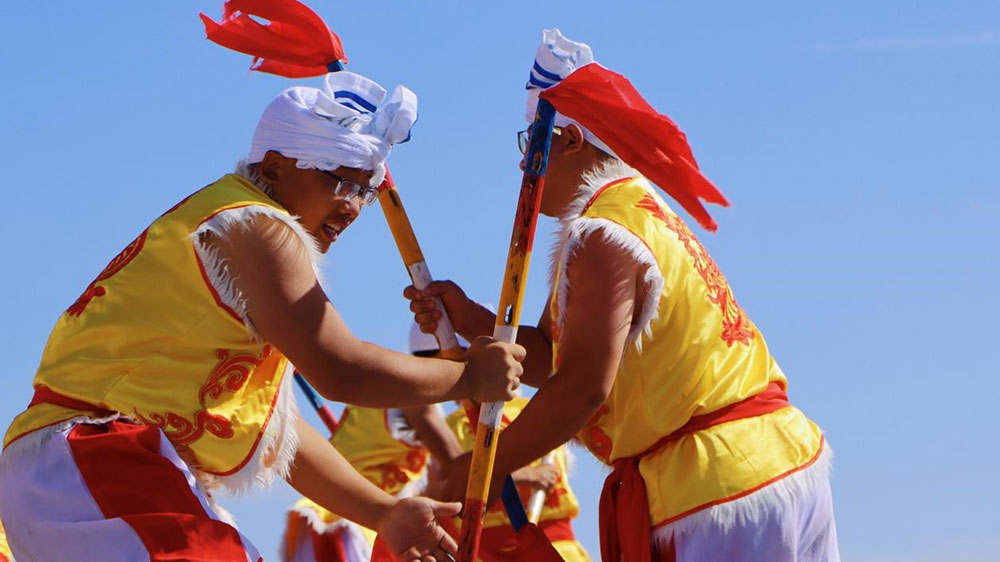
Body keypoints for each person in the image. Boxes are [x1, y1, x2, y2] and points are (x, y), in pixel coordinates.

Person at [0, 68, 524, 562]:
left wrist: (382, 511)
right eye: (341, 181)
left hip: (77, 469)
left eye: (366, 189)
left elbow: (279, 432)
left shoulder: (239, 233)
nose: (354, 206)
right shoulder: (259, 226)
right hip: (89, 457)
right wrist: (468, 376)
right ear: (274, 167)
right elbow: (341, 368)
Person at [406, 29, 839, 562]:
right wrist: (470, 317)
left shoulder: (602, 232)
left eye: (530, 145)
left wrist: (487, 467)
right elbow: (555, 355)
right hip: (764, 464)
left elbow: (585, 385)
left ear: (568, 142)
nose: (524, 166)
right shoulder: (629, 212)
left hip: (718, 486)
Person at [282, 324, 467, 562]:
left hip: (349, 513)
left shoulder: (396, 383)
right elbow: (460, 469)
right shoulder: (412, 391)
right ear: (445, 354)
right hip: (350, 522)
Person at [445, 395, 591, 562]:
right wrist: (527, 474)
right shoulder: (541, 409)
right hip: (482, 548)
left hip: (550, 542)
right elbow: (450, 489)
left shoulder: (539, 411)